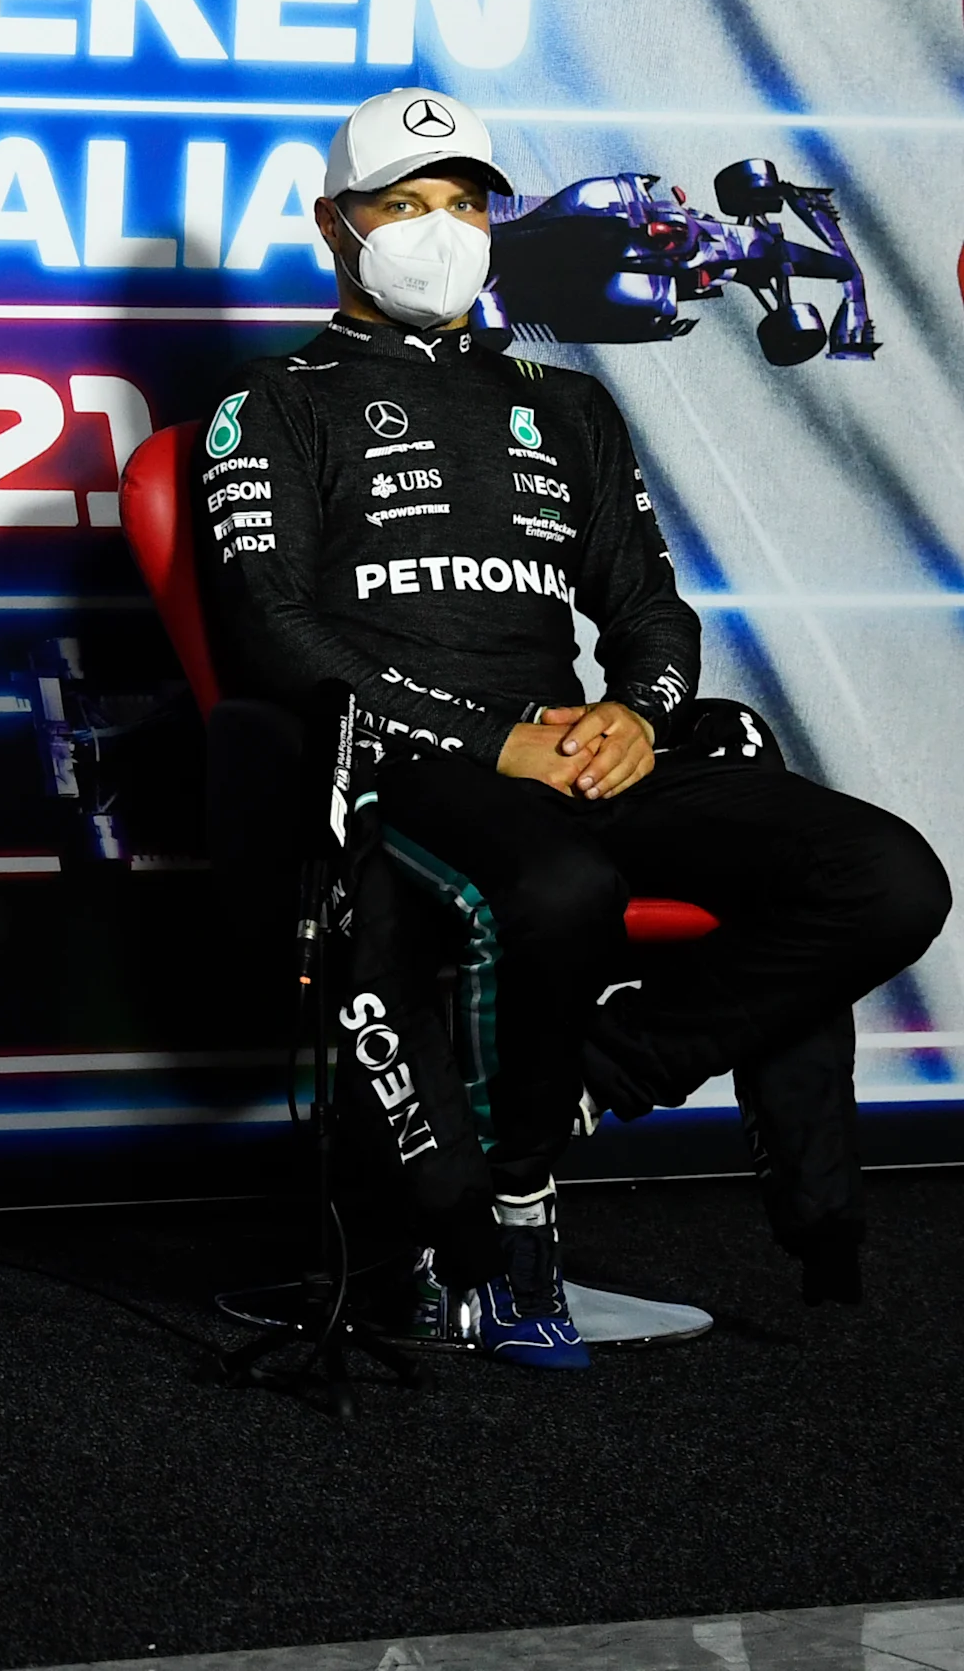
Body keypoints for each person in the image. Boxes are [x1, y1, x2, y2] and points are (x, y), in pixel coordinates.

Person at [197, 85, 947, 1368]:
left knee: (883, 876)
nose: (442, 230)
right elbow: (273, 635)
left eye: (462, 205)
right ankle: (498, 1231)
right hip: (409, 764)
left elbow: (648, 606)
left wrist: (637, 716)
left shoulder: (567, 406)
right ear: (336, 226)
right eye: (404, 205)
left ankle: (594, 1077)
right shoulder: (272, 402)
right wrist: (491, 743)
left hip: (582, 753)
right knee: (558, 884)